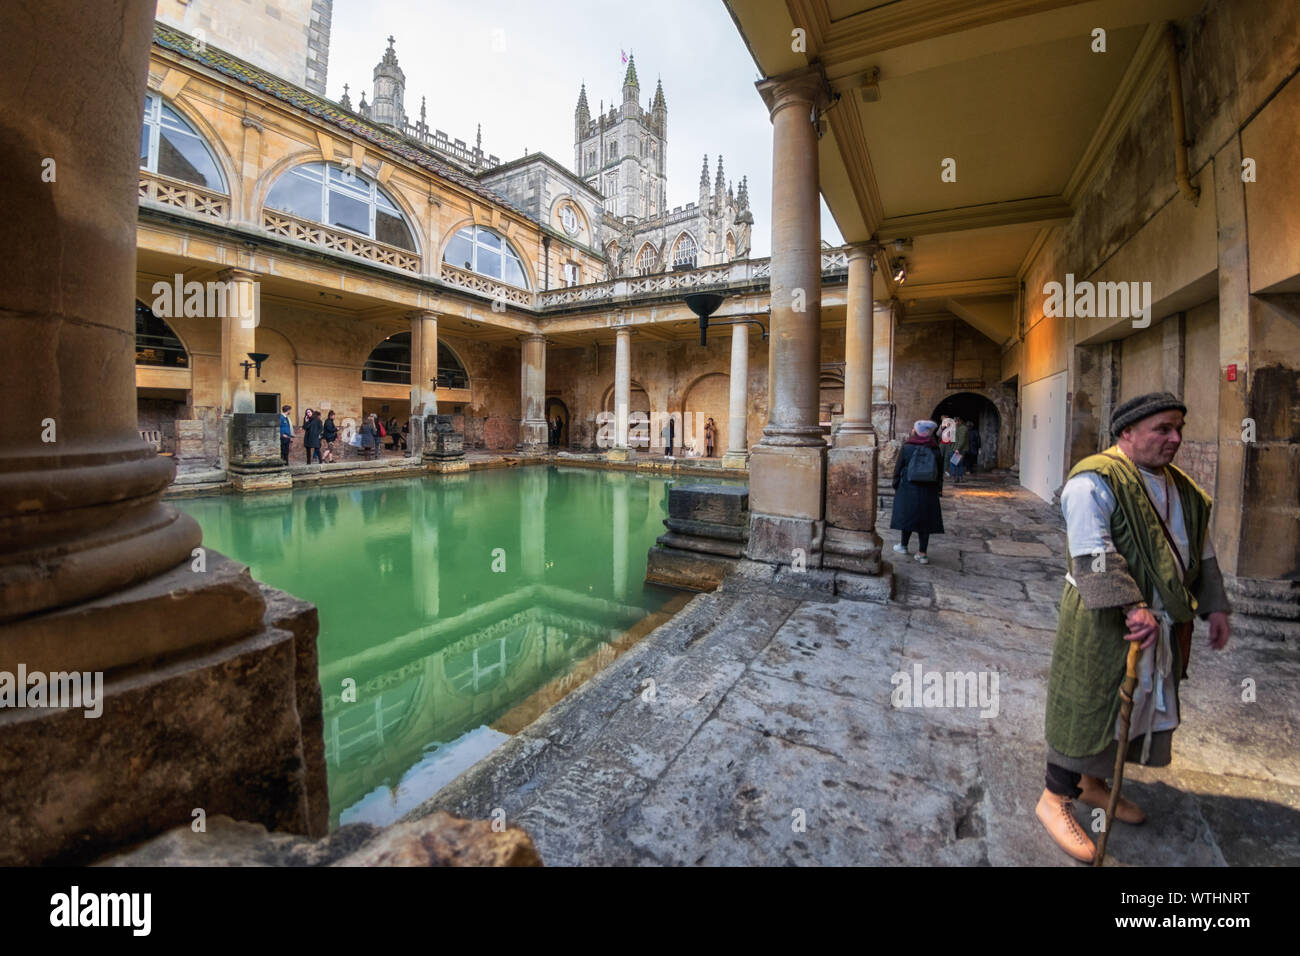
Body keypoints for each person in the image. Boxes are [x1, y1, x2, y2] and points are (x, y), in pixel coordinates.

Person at [1037, 391, 1231, 863]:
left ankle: (1094, 784)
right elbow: (1091, 550)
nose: (1174, 439)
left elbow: (1198, 549)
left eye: (1178, 429)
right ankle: (1054, 797)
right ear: (1128, 433)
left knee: (1133, 705)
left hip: (1158, 620)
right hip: (1103, 616)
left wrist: (1215, 605)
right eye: (1162, 429)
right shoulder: (1094, 480)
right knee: (1088, 702)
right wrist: (1131, 605)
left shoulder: (1180, 485)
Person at [889, 420, 944, 565]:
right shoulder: (935, 448)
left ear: (916, 431)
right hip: (929, 489)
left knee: (907, 516)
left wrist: (895, 484)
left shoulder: (907, 447)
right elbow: (939, 472)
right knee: (925, 520)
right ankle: (923, 553)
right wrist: (939, 489)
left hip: (908, 487)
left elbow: (898, 467)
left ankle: (903, 545)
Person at [950, 417, 970, 482]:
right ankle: (956, 477)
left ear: (959, 422)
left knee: (957, 463)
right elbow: (952, 439)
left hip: (960, 449)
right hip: (953, 448)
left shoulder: (963, 428)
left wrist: (957, 449)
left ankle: (957, 477)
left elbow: (962, 440)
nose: (954, 423)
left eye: (955, 422)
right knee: (955, 463)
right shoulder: (954, 428)